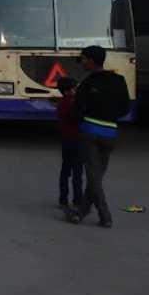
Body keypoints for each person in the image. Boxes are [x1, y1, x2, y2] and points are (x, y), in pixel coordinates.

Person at [66, 45, 131, 228]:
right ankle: (80, 212)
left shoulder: (87, 84)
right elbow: (125, 108)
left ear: (92, 61)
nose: (82, 63)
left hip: (90, 132)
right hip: (110, 133)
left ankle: (105, 215)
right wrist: (109, 116)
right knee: (96, 175)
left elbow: (76, 111)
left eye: (84, 59)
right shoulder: (119, 80)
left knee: (93, 177)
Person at [56, 76, 84, 210]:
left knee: (65, 170)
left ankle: (63, 198)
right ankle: (77, 200)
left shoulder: (61, 103)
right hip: (77, 140)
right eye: (74, 88)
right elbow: (77, 118)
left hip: (66, 140)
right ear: (67, 91)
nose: (76, 91)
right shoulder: (71, 103)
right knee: (77, 173)